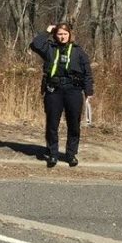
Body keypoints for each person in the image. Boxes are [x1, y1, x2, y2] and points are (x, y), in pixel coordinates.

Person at [30, 21, 95, 168]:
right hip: (54, 90)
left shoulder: (78, 51)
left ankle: (71, 154)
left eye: (65, 34)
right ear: (55, 35)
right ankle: (52, 153)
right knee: (52, 124)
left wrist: (88, 91)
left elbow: (87, 73)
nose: (62, 36)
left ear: (70, 35)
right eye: (59, 34)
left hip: (74, 91)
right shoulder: (49, 48)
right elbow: (35, 44)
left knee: (74, 124)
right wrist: (47, 31)